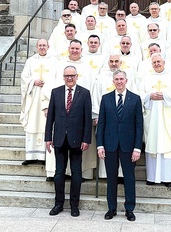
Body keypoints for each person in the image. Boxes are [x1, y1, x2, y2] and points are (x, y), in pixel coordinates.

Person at [45, 65, 92, 217]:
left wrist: (86, 139)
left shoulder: (84, 93)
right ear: (63, 77)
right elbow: (50, 117)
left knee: (76, 173)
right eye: (67, 76)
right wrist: (48, 138)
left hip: (77, 140)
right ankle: (58, 203)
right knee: (59, 173)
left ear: (77, 76)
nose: (69, 78)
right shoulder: (56, 92)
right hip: (59, 139)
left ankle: (74, 205)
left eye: (72, 76)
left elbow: (87, 119)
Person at [96, 69, 143, 221]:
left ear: (126, 80)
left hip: (129, 146)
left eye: (122, 79)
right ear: (113, 81)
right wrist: (100, 145)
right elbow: (101, 124)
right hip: (109, 145)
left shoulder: (135, 99)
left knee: (129, 178)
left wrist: (137, 148)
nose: (119, 81)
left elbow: (139, 126)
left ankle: (129, 209)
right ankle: (112, 208)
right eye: (116, 79)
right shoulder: (106, 98)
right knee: (111, 178)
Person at [139, 53, 171, 187]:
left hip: (168, 118)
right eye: (154, 62)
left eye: (159, 62)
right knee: (153, 145)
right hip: (152, 118)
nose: (157, 64)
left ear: (164, 63)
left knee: (167, 146)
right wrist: (149, 96)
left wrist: (164, 95)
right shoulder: (146, 78)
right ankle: (152, 177)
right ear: (151, 64)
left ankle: (168, 178)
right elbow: (140, 94)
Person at [19, 38, 57, 165]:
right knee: (32, 124)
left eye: (44, 45)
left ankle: (43, 157)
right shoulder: (30, 61)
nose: (42, 47)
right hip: (33, 97)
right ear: (36, 47)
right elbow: (24, 77)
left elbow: (55, 78)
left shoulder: (53, 61)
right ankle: (30, 156)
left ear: (48, 46)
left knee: (44, 125)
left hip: (47, 97)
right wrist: (33, 82)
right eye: (40, 45)